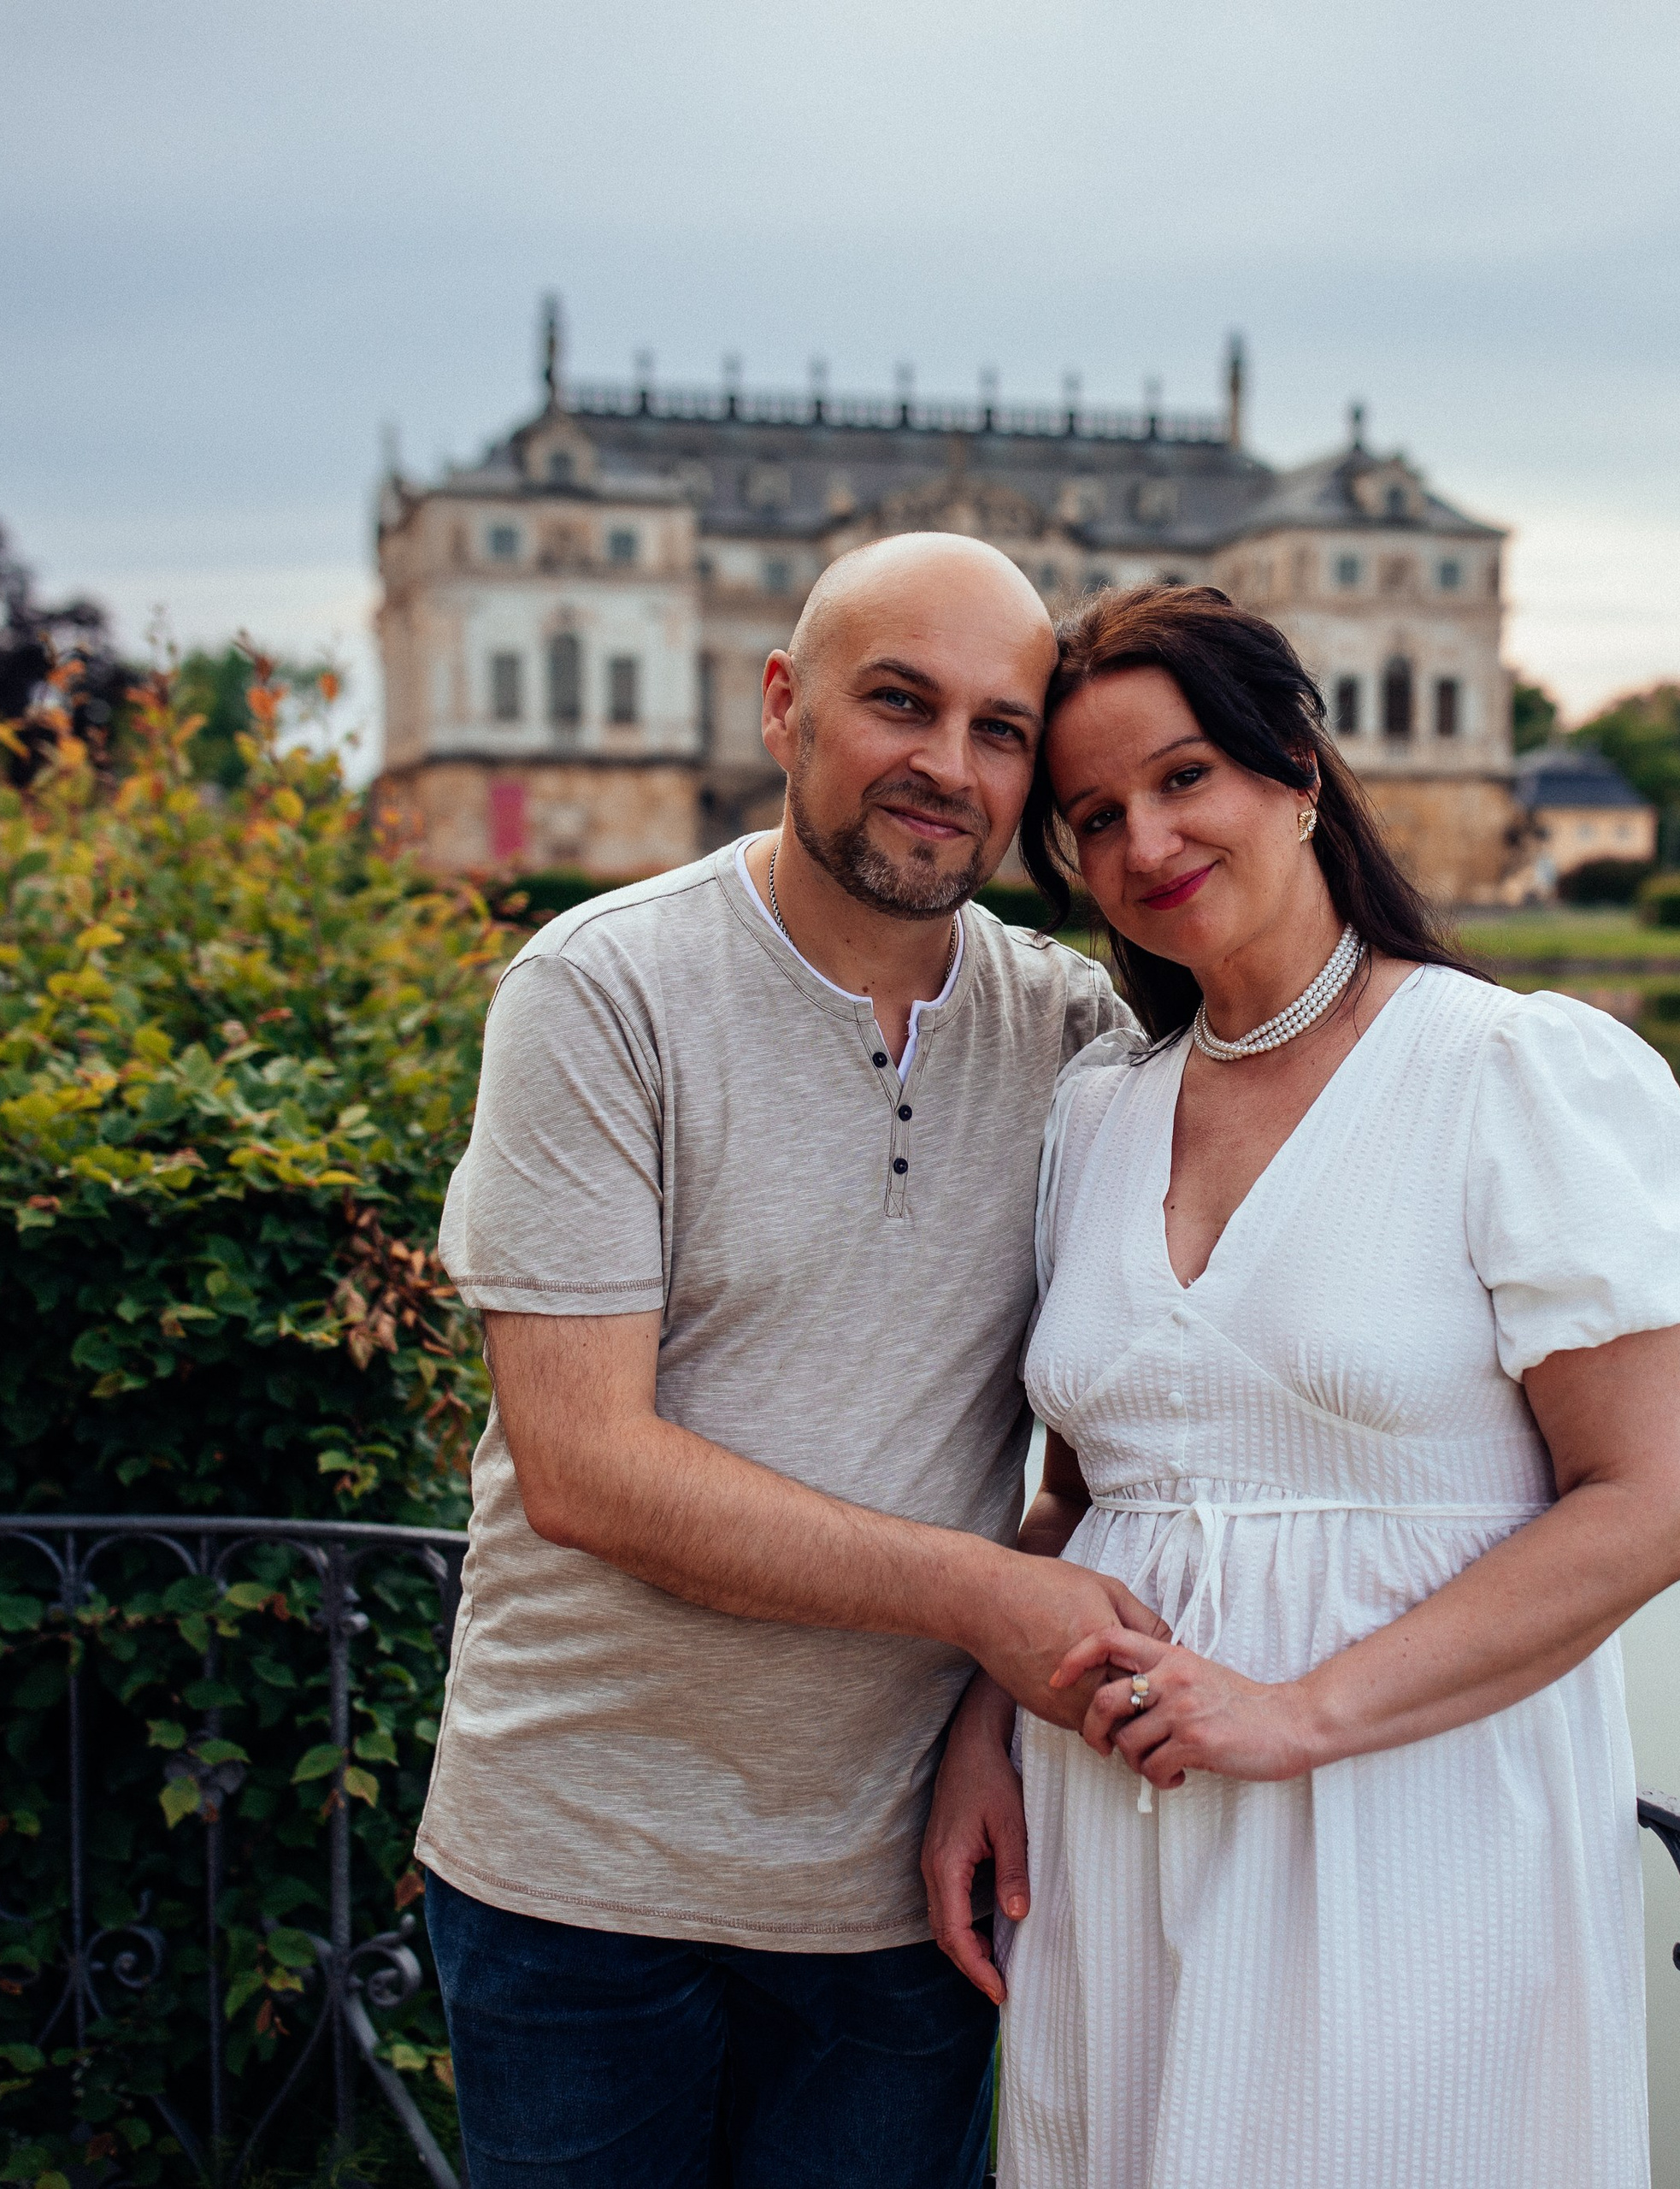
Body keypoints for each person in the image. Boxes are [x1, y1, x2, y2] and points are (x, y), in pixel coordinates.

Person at [923, 584, 1680, 2188]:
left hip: (1406, 1825)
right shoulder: (1098, 1113)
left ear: (1297, 771)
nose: (1143, 841)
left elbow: (1654, 1508)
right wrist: (981, 1732)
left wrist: (1300, 1714)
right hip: (1117, 1819)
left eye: (1184, 778)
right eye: (1093, 816)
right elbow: (1091, 1493)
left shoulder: (1511, 1077)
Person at [418, 534, 1154, 2189]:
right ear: (780, 703)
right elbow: (586, 1465)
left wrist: (989, 1701)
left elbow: (1124, 1427)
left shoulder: (1075, 1039)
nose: (944, 767)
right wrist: (985, 1602)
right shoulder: (601, 990)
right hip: (577, 1878)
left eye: (998, 728)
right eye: (898, 701)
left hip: (903, 1889)